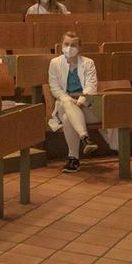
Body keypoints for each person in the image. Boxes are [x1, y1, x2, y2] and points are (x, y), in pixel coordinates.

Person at [47, 31, 99, 173]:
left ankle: (74, 158)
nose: (69, 48)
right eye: (66, 44)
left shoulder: (88, 63)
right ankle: (85, 138)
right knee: (66, 103)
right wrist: (69, 100)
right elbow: (55, 88)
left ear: (80, 47)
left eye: (73, 45)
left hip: (85, 105)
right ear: (61, 46)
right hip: (64, 102)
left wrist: (81, 101)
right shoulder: (55, 63)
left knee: (67, 118)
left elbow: (91, 86)